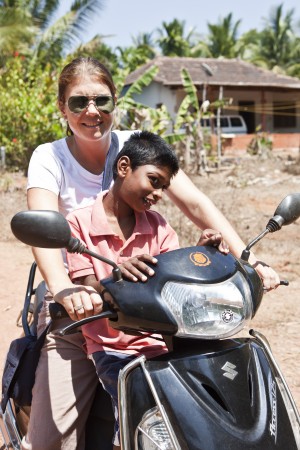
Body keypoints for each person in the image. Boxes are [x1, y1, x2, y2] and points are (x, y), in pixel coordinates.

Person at [24, 56, 280, 450]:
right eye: (79, 102)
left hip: (149, 314)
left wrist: (244, 260)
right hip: (83, 307)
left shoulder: (140, 154)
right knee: (52, 438)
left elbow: (195, 204)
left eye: (101, 101)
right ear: (63, 107)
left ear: (114, 103)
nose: (92, 112)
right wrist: (65, 292)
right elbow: (45, 231)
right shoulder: (50, 158)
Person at [66, 130, 229, 449]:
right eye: (154, 181)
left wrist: (199, 255)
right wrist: (116, 277)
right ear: (124, 167)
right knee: (139, 414)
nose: (158, 193)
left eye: (164, 188)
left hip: (162, 343)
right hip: (113, 348)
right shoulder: (79, 223)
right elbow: (88, 288)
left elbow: (174, 282)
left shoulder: (159, 227)